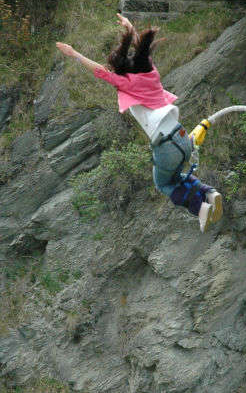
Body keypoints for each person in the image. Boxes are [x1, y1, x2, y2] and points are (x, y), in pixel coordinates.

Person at [56, 14, 223, 231]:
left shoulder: (125, 83)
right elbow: (142, 51)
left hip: (165, 144)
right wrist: (131, 28)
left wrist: (73, 53)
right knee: (176, 176)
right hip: (182, 136)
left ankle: (201, 208)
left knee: (163, 184)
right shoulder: (151, 73)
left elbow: (100, 71)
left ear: (121, 69)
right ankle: (209, 193)